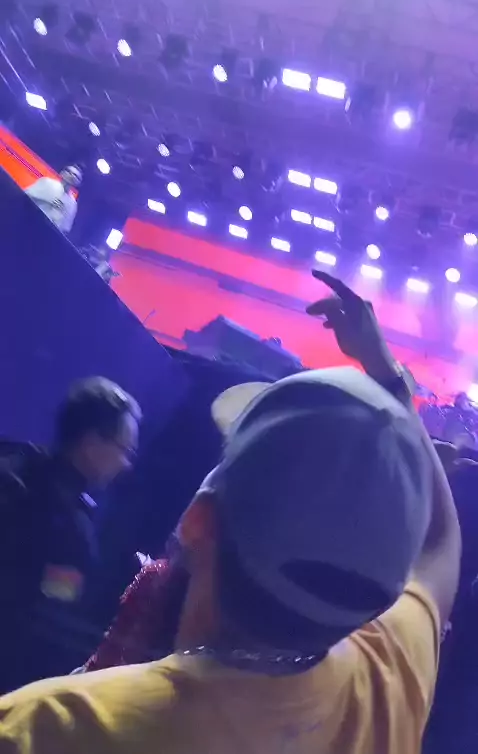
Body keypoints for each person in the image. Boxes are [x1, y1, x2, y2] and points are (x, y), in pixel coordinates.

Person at [0, 273, 460, 754]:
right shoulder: (390, 682)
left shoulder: (47, 728)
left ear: (197, 521)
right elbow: (445, 543)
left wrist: (379, 366)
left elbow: (442, 543)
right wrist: (391, 385)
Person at [0, 377, 141, 692]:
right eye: (124, 450)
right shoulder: (70, 530)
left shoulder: (12, 461)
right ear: (91, 443)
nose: (126, 464)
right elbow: (53, 618)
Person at [24, 165, 82, 233]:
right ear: (62, 172)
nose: (71, 175)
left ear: (78, 182)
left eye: (75, 175)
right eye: (69, 171)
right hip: (30, 221)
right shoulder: (46, 182)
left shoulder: (73, 204)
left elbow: (65, 228)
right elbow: (26, 196)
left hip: (47, 233)